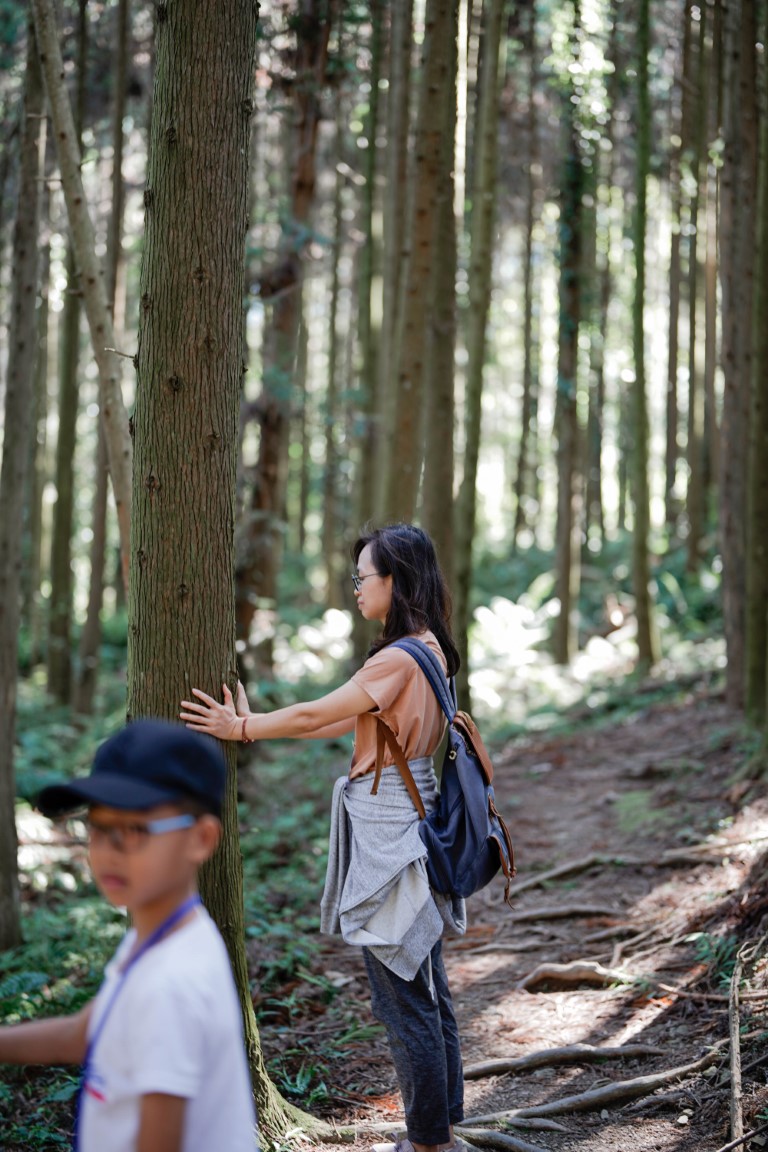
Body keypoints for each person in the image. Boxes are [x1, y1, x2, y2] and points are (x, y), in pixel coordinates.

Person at [180, 523, 468, 1152]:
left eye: (364, 577)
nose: (356, 588)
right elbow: (334, 723)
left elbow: (315, 712)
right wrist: (252, 725)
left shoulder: (394, 660)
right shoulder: (429, 650)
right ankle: (444, 1124)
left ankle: (429, 1142)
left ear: (396, 582)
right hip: (415, 823)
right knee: (427, 987)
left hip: (391, 836)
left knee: (406, 1000)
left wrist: (242, 727)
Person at [0, 720, 259, 1152]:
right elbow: (87, 1034)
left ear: (201, 839)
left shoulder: (171, 984)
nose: (108, 851)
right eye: (98, 829)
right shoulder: (166, 934)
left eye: (136, 830)